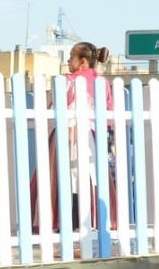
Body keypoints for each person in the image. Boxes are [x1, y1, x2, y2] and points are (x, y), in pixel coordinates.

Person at [29, 41, 116, 233]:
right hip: (93, 134)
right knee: (92, 177)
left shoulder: (67, 81)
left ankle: (66, 218)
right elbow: (108, 113)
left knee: (62, 177)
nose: (68, 61)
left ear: (82, 61)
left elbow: (54, 108)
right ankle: (92, 218)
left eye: (71, 57)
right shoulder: (102, 82)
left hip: (68, 132)